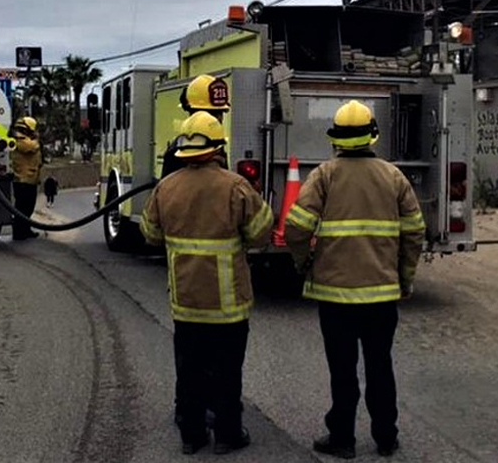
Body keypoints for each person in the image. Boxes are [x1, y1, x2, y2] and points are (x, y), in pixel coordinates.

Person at [284, 100, 424, 459]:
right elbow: (414, 232)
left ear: (335, 139)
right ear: (372, 136)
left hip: (335, 296)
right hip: (381, 296)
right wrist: (405, 277)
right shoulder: (394, 176)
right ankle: (386, 438)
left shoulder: (324, 175)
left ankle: (342, 439)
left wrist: (306, 263)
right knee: (380, 366)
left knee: (342, 370)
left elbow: (296, 227)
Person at [140, 111, 274, 455]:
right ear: (218, 148)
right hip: (229, 305)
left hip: (186, 302)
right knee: (228, 371)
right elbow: (260, 234)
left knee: (189, 369)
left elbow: (150, 234)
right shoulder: (236, 187)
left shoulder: (165, 188)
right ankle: (228, 435)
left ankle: (192, 434)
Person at [159, 74, 230, 180]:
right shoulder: (177, 151)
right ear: (193, 113)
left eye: (220, 113)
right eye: (213, 114)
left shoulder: (217, 145)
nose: (218, 119)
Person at [9, 116, 43, 240]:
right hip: (22, 179)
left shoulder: (25, 138)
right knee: (22, 207)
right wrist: (37, 139)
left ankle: (25, 229)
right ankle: (19, 231)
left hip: (30, 178)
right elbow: (31, 147)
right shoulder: (19, 139)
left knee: (29, 206)